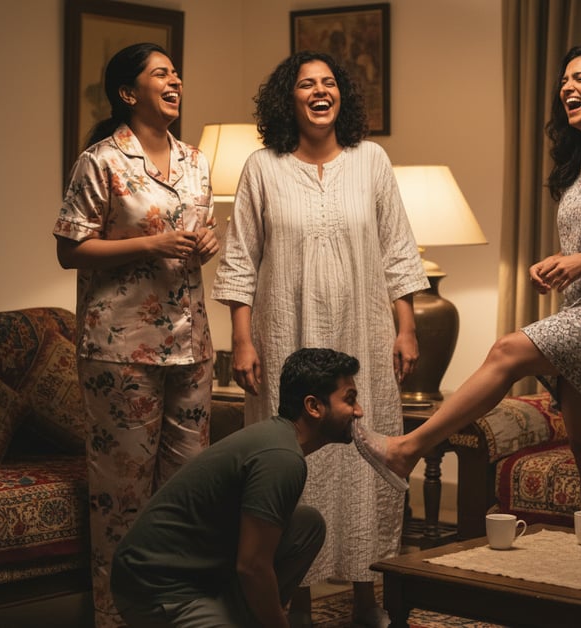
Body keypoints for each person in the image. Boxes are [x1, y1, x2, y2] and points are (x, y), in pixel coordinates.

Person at [355, 45, 581, 534]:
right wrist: (558, 265)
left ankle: (406, 449)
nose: (567, 87)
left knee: (507, 350)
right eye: (564, 80)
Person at [211, 50, 428, 626]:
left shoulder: (372, 161)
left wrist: (406, 327)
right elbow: (240, 260)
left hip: (363, 333)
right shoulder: (262, 166)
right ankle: (296, 603)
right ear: (289, 99)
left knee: (363, 456)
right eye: (306, 84)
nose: (319, 91)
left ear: (342, 97)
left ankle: (366, 599)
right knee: (292, 462)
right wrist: (242, 339)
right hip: (285, 335)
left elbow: (398, 250)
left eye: (328, 83)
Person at [53, 43, 219, 628]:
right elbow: (69, 249)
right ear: (129, 92)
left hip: (192, 345)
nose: (175, 80)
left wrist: (206, 243)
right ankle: (116, 616)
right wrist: (150, 243)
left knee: (187, 492)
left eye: (177, 71)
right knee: (122, 496)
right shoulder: (100, 162)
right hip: (120, 348)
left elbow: (202, 234)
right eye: (160, 73)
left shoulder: (198, 161)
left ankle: (178, 611)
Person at [110, 348, 364, 627]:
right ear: (314, 406)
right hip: (157, 586)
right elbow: (252, 566)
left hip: (204, 574)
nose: (359, 411)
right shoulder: (282, 458)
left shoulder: (280, 442)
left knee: (307, 524)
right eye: (350, 400)